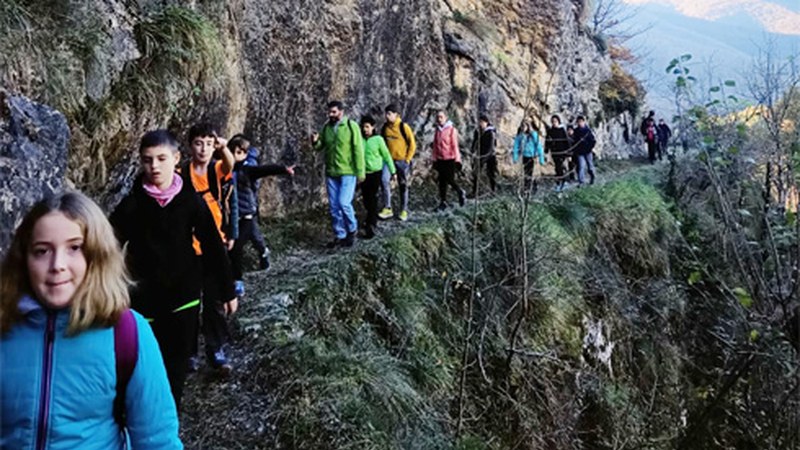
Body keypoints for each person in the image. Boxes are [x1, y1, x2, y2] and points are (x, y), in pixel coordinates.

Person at [1, 191, 183, 449]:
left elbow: (157, 440)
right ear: (24, 259)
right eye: (42, 251)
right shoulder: (4, 327)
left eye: (75, 248)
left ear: (96, 256)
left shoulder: (127, 333)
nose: (57, 265)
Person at [110, 130, 236, 409]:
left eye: (161, 158)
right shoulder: (132, 205)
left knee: (176, 369)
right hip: (144, 300)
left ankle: (168, 427)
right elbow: (107, 246)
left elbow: (213, 246)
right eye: (147, 160)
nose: (154, 166)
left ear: (176, 159)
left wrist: (227, 290)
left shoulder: (191, 201)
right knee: (144, 369)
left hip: (184, 296)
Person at [179, 122, 238, 374]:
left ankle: (216, 349)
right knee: (189, 301)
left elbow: (229, 165)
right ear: (190, 145)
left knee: (214, 301)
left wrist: (223, 148)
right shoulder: (181, 173)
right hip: (188, 246)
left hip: (215, 244)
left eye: (208, 143)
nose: (203, 149)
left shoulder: (216, 169)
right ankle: (189, 352)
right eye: (198, 143)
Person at [227, 135, 294, 295]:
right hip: (232, 217)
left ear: (244, 154)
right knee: (239, 245)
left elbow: (265, 169)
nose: (235, 155)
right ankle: (236, 275)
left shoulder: (247, 169)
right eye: (233, 152)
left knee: (241, 245)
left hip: (247, 216)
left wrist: (283, 169)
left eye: (239, 152)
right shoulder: (224, 168)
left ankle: (239, 279)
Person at [311, 100, 365, 249]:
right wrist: (315, 142)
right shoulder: (326, 127)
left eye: (333, 112)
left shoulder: (350, 126)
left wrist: (360, 172)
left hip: (348, 171)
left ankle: (352, 229)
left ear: (341, 112)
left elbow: (358, 149)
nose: (331, 115)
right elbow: (320, 146)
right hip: (331, 172)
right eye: (329, 112)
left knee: (344, 203)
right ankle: (340, 235)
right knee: (334, 207)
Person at [378, 104, 416, 222]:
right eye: (386, 113)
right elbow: (382, 143)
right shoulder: (385, 127)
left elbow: (412, 144)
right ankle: (387, 207)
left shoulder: (403, 127)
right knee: (384, 180)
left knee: (403, 185)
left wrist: (407, 160)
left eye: (389, 113)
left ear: (396, 115)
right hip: (388, 161)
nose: (386, 116)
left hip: (402, 161)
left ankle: (403, 210)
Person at [361, 115, 396, 238]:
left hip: (375, 173)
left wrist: (393, 171)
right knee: (366, 199)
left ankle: (371, 225)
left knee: (373, 199)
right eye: (363, 127)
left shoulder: (378, 140)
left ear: (373, 127)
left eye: (367, 127)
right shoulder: (360, 140)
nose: (365, 129)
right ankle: (370, 219)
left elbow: (386, 156)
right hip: (363, 174)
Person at [432, 110, 466, 211]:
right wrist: (434, 159)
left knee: (450, 179)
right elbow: (435, 146)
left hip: (450, 159)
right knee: (442, 182)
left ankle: (460, 191)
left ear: (446, 118)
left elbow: (455, 145)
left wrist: (458, 159)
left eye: (441, 117)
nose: (439, 119)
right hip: (440, 159)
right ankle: (443, 202)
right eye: (438, 117)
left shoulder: (451, 130)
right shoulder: (437, 130)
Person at [512, 121, 545, 193]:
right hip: (524, 156)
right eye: (522, 127)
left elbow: (538, 146)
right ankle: (527, 187)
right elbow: (516, 146)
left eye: (525, 126)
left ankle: (532, 187)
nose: (523, 128)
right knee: (526, 172)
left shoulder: (533, 135)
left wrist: (541, 158)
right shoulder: (520, 136)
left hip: (532, 157)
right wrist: (515, 157)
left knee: (531, 173)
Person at [471, 114, 498, 196]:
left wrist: (484, 157)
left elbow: (491, 146)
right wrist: (472, 151)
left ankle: (493, 190)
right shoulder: (477, 131)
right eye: (479, 122)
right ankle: (475, 191)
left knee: (491, 173)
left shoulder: (491, 132)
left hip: (490, 155)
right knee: (476, 172)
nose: (480, 124)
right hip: (480, 154)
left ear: (486, 122)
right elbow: (475, 142)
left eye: (482, 122)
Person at [546, 115, 570, 191]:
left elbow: (566, 142)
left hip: (562, 151)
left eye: (555, 121)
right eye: (553, 121)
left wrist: (569, 154)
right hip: (554, 152)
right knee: (557, 167)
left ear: (558, 121)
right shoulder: (550, 131)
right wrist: (546, 151)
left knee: (559, 167)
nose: (554, 123)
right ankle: (561, 182)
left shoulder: (562, 130)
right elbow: (548, 141)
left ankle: (562, 182)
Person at [573, 116, 596, 186]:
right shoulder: (576, 131)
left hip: (588, 151)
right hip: (580, 152)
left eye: (581, 122)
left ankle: (592, 176)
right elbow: (575, 141)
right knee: (581, 166)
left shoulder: (588, 131)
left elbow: (593, 141)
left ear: (583, 122)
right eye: (578, 122)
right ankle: (581, 181)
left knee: (590, 165)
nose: (580, 123)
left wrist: (589, 148)